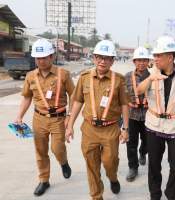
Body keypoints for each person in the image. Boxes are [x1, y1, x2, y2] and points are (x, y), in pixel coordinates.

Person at [65, 40, 129, 200]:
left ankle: (112, 177)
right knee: (92, 165)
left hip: (111, 128)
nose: (102, 61)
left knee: (110, 161)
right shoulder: (85, 77)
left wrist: (126, 129)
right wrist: (70, 125)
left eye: (107, 58)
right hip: (89, 129)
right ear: (94, 58)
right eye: (99, 57)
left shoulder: (119, 80)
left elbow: (124, 105)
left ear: (112, 61)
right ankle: (96, 195)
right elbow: (78, 101)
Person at [137, 36, 175, 200]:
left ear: (170, 57)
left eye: (158, 56)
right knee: (154, 166)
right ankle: (155, 195)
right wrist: (150, 78)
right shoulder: (150, 73)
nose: (155, 59)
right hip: (154, 126)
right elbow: (138, 91)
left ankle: (171, 193)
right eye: (154, 55)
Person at [14, 38, 74, 196]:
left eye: (44, 57)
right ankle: (44, 180)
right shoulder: (30, 76)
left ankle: (63, 162)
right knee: (40, 151)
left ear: (52, 57)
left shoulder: (64, 74)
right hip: (39, 118)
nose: (40, 61)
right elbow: (27, 97)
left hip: (58, 118)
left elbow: (74, 96)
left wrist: (70, 116)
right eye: (37, 58)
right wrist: (19, 116)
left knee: (57, 148)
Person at [124, 47, 150, 182]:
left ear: (148, 62)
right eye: (139, 60)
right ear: (134, 61)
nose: (141, 63)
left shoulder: (153, 76)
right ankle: (133, 167)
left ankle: (143, 152)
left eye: (144, 60)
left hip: (148, 116)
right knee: (131, 143)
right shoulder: (127, 76)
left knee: (147, 141)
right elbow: (122, 98)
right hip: (132, 115)